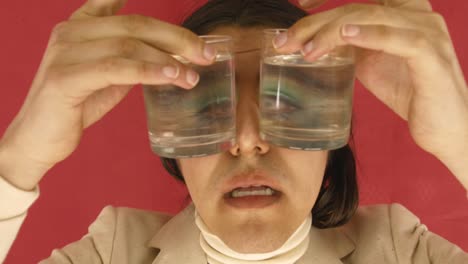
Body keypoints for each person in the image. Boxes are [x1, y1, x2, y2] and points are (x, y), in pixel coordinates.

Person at [1, 0, 467, 263]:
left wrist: (458, 138)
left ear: (332, 138)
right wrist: (18, 159)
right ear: (174, 150)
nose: (247, 141)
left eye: (291, 106)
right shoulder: (110, 254)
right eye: (209, 109)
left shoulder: (404, 251)